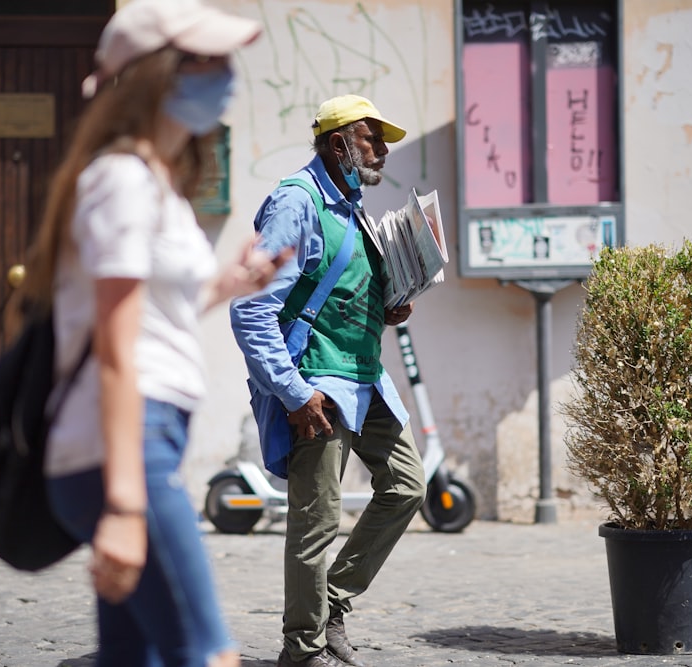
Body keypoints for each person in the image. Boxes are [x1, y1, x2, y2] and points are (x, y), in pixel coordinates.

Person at [16, 2, 287, 666]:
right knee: (206, 653)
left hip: (143, 438)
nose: (226, 76)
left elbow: (151, 313)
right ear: (155, 74)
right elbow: (115, 345)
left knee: (137, 657)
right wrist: (126, 502)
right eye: (207, 61)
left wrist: (226, 286)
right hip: (129, 446)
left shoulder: (155, 184)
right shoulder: (121, 181)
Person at [229, 95, 428, 667]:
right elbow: (250, 307)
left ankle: (331, 603)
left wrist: (383, 305)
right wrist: (294, 393)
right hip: (319, 383)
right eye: (372, 138)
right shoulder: (298, 202)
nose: (383, 151)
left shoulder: (351, 203)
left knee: (407, 486)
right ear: (339, 142)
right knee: (316, 523)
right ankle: (303, 648)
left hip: (364, 377)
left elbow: (335, 284)